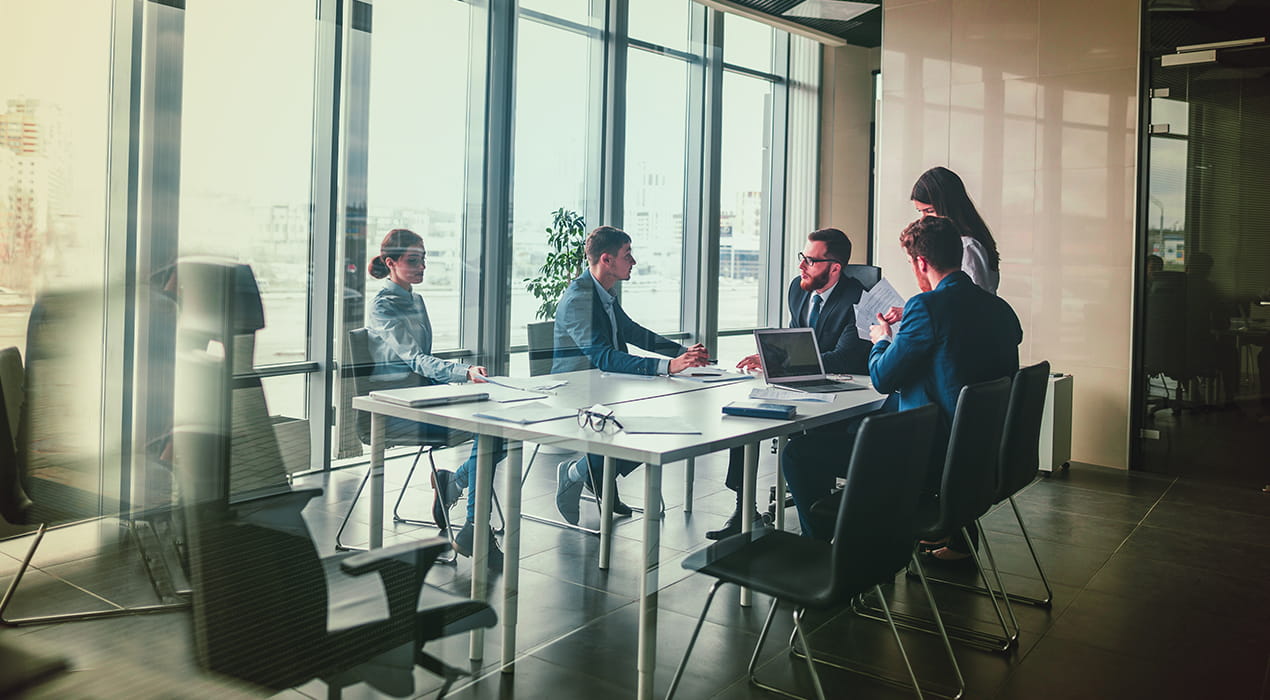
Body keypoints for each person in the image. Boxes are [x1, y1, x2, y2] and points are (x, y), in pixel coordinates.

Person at [868, 215, 1022, 560]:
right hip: (985, 451)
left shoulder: (925, 307)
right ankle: (949, 537)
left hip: (935, 454)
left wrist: (881, 341)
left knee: (806, 456)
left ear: (921, 262)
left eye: (911, 264)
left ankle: (854, 558)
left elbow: (882, 379)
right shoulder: (999, 308)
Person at [707, 228, 873, 540]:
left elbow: (845, 357)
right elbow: (797, 340)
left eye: (810, 260)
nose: (801, 267)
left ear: (834, 267)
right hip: (800, 383)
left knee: (803, 448)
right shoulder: (798, 288)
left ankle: (820, 525)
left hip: (844, 392)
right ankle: (745, 510)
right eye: (802, 257)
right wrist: (771, 357)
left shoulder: (858, 301)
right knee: (747, 416)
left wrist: (784, 362)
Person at [552, 225, 710, 524]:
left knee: (655, 425)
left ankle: (594, 474)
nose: (634, 262)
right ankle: (578, 472)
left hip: (606, 387)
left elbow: (633, 332)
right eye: (628, 255)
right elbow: (603, 356)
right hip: (577, 393)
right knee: (645, 429)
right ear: (606, 260)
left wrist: (682, 353)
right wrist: (667, 367)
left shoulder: (604, 293)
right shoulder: (579, 299)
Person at [367, 228, 504, 568]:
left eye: (423, 259)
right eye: (413, 260)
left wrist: (458, 380)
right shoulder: (383, 305)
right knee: (489, 433)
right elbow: (414, 358)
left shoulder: (416, 299)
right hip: (397, 407)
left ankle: (455, 486)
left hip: (423, 395)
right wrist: (463, 372)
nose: (422, 266)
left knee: (497, 427)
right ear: (391, 263)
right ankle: (474, 524)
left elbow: (422, 362)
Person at [910, 166, 1001, 295]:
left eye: (930, 211)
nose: (923, 220)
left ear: (948, 207)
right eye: (921, 212)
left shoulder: (968, 247)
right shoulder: (958, 243)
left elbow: (972, 305)